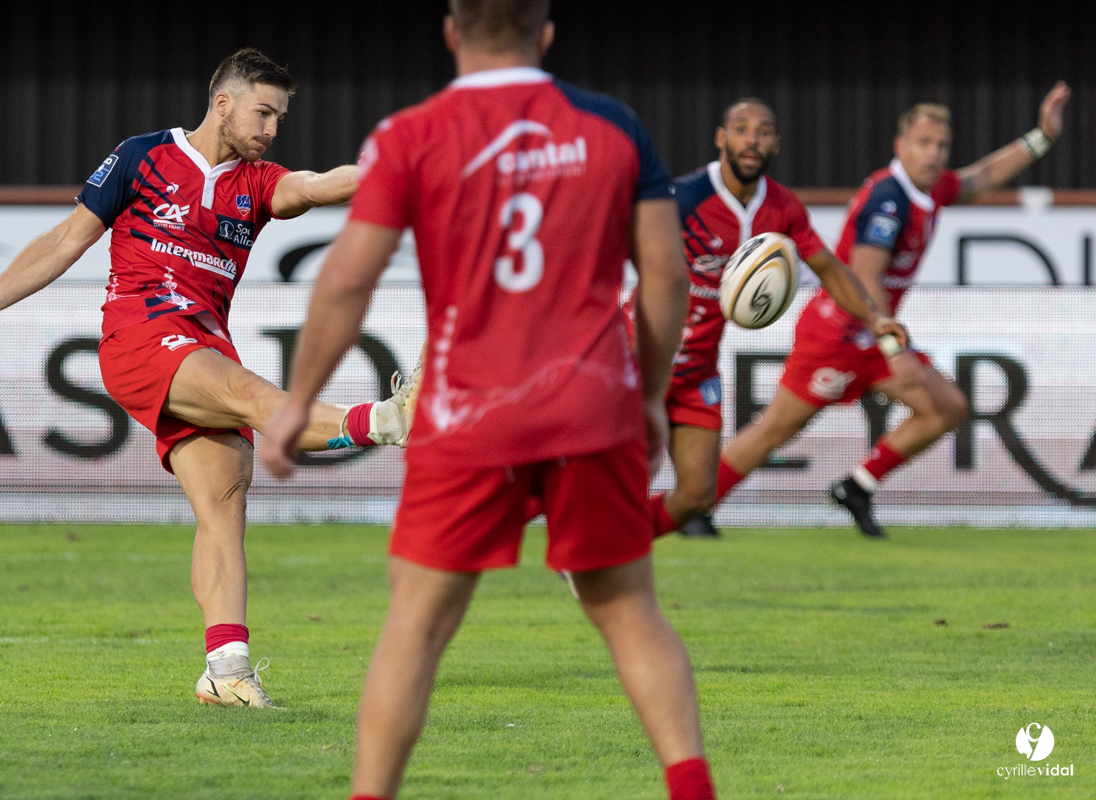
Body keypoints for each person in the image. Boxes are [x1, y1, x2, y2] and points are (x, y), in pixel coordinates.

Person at [261, 2, 717, 798]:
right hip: (592, 408)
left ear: (450, 32)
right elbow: (668, 278)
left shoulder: (410, 134)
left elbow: (346, 280)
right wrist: (647, 395)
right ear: (545, 33)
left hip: (470, 416)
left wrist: (300, 402)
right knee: (628, 610)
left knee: (419, 624)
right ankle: (691, 787)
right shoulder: (614, 128)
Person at [0, 48, 416, 708]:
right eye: (263, 113)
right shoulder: (143, 157)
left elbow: (316, 185)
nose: (270, 129)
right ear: (224, 103)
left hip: (204, 342)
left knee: (225, 503)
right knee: (253, 395)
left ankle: (226, 668)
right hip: (141, 334)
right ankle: (388, 419)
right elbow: (68, 240)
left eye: (280, 118)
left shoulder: (259, 184)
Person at [715, 82, 1071, 537]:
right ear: (900, 146)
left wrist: (1042, 136)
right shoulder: (890, 198)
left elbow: (981, 177)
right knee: (776, 430)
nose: (934, 154)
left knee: (947, 407)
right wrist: (892, 346)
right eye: (924, 143)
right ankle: (700, 504)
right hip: (839, 334)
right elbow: (865, 276)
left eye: (942, 145)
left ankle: (857, 486)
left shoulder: (933, 188)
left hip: (874, 338)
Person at [641, 98, 905, 539]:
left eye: (763, 131)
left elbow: (830, 269)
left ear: (775, 144)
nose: (752, 139)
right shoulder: (683, 197)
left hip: (698, 370)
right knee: (621, 479)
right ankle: (595, 554)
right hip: (642, 361)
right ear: (721, 139)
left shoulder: (783, 209)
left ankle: (608, 549)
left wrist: (876, 319)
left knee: (697, 496)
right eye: (741, 129)